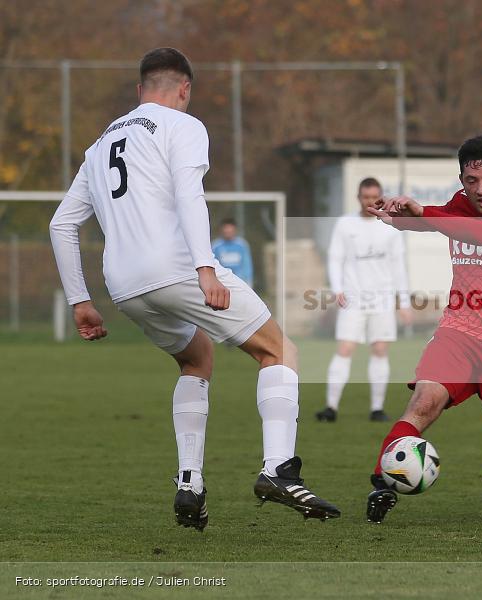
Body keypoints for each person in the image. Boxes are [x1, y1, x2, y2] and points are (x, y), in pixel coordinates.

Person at [48, 47, 339, 531]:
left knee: (196, 358)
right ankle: (278, 470)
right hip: (177, 268)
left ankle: (190, 481)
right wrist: (206, 267)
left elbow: (62, 224)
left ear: (141, 91)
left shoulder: (100, 146)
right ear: (184, 89)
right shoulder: (183, 125)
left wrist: (81, 300)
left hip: (123, 284)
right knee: (279, 350)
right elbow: (190, 194)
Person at [365, 135, 482, 523]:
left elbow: (481, 233)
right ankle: (383, 482)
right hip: (459, 335)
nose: (481, 190)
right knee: (424, 403)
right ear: (462, 179)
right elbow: (434, 223)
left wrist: (422, 211)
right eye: (472, 180)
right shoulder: (460, 204)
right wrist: (400, 217)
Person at [314, 177, 412, 423]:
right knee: (345, 348)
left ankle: (377, 408)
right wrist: (337, 288)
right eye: (365, 197)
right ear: (359, 197)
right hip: (353, 298)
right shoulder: (346, 224)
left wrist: (404, 301)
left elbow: (399, 266)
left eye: (374, 197)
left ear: (381, 198)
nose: (369, 201)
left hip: (383, 299)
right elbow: (335, 258)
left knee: (380, 350)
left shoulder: (391, 225)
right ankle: (331, 407)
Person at [212, 218, 254, 287]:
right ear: (222, 230)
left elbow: (247, 265)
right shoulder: (215, 246)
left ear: (235, 230)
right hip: (222, 282)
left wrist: (248, 282)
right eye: (226, 229)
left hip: (240, 282)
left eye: (230, 229)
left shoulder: (242, 245)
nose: (228, 231)